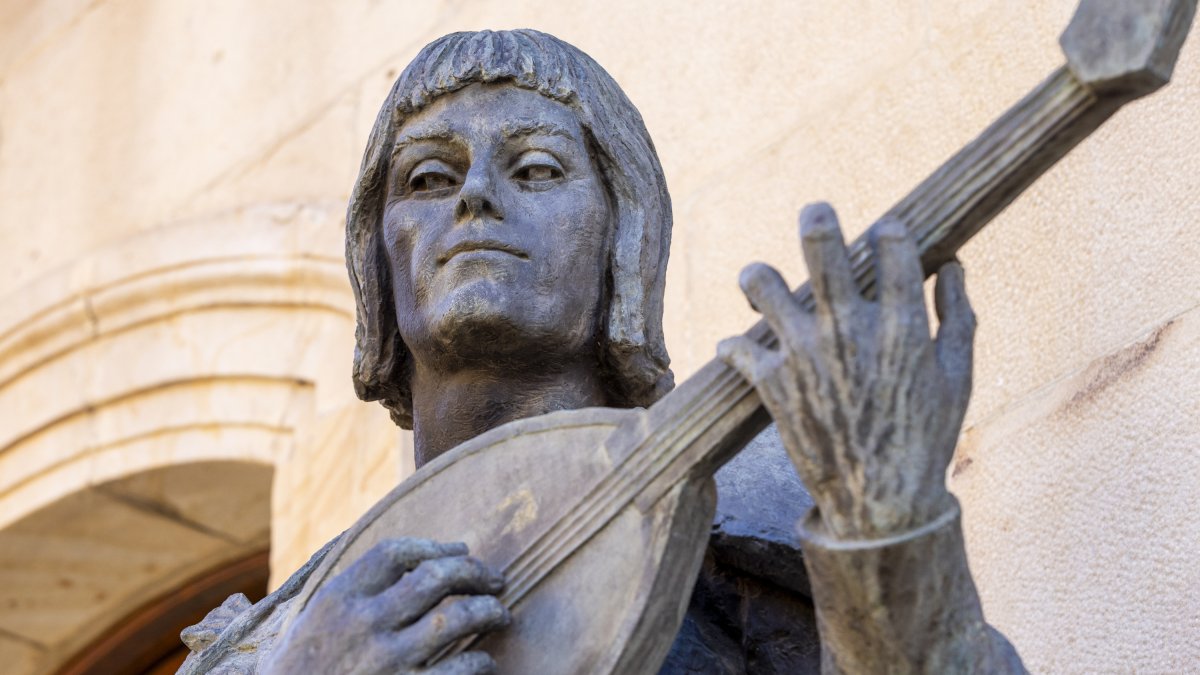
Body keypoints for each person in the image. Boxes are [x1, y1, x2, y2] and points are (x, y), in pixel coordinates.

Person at [179, 29, 1025, 674]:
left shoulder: (749, 505)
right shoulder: (270, 642)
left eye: (537, 169)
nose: (475, 195)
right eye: (429, 177)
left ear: (625, 239)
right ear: (375, 256)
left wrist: (892, 536)